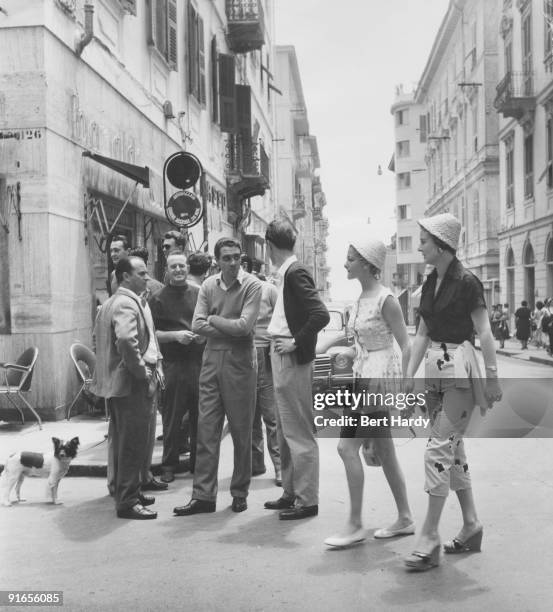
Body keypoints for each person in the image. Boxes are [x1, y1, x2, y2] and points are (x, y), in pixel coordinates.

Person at [403, 213, 502, 571]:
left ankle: (429, 536)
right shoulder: (430, 281)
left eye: (424, 240)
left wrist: (492, 379)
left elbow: (485, 333)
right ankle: (471, 524)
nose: (419, 246)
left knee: (437, 451)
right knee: (452, 450)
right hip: (435, 373)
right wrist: (407, 375)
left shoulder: (467, 282)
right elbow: (422, 334)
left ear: (442, 244)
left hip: (461, 369)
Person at [324, 237, 414, 548]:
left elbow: (405, 345)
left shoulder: (386, 299)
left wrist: (405, 387)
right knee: (385, 452)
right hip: (363, 375)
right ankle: (404, 517)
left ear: (366, 262)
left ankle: (355, 524)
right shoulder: (361, 299)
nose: (345, 263)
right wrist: (344, 351)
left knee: (346, 448)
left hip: (377, 382)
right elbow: (362, 344)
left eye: (350, 258)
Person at [173, 238, 262, 515]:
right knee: (207, 430)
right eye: (227, 258)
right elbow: (196, 325)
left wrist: (213, 320)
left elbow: (245, 327)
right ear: (217, 261)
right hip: (211, 361)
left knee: (240, 430)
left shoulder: (252, 285)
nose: (233, 263)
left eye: (237, 257)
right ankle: (203, 496)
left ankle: (239, 492)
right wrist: (224, 326)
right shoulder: (209, 286)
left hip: (240, 364)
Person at [263, 219, 329, 520]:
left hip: (289, 359)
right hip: (281, 358)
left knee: (299, 431)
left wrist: (294, 343)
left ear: (269, 246)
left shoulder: (295, 272)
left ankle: (307, 499)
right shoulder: (287, 273)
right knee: (286, 430)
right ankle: (291, 493)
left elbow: (320, 314)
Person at [91, 256, 163, 520]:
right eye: (141, 273)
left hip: (118, 385)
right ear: (125, 277)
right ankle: (128, 501)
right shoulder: (125, 303)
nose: (147, 277)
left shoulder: (113, 302)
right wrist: (141, 371)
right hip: (130, 384)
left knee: (125, 441)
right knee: (132, 443)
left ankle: (128, 491)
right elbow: (124, 339)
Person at [149, 250, 204, 483]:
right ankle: (169, 466)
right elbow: (152, 335)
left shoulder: (200, 294)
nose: (179, 270)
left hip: (199, 363)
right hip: (173, 365)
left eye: (182, 266)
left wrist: (203, 335)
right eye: (174, 267)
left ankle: (198, 464)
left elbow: (208, 322)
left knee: (200, 418)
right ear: (167, 270)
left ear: (187, 268)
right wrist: (175, 336)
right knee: (172, 418)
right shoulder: (158, 298)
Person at [241, 254, 282, 486]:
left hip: (265, 353)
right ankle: (255, 463)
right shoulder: (235, 291)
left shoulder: (269, 290)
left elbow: (280, 321)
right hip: (243, 355)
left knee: (270, 414)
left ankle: (279, 467)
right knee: (249, 415)